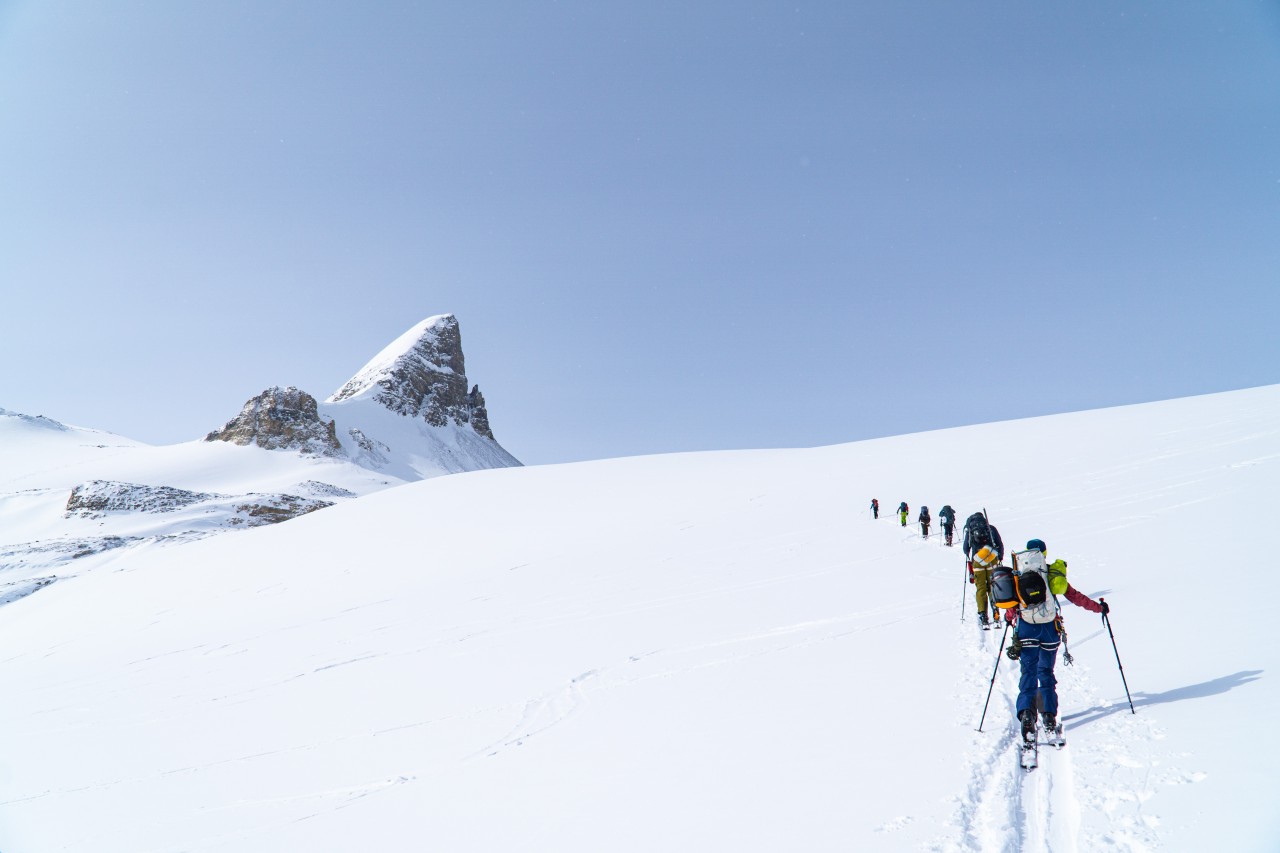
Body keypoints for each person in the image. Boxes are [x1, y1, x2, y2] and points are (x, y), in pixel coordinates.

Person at [1003, 539, 1108, 741]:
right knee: (1045, 672)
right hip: (1050, 631)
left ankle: (1027, 714)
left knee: (1028, 672)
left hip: (1026, 630)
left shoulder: (1020, 575)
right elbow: (1075, 597)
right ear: (1044, 553)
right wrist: (1099, 608)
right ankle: (1049, 715)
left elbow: (1011, 609)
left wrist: (1010, 619)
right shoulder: (1052, 573)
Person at [962, 512, 1004, 628]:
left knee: (981, 588)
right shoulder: (990, 528)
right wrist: (999, 557)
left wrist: (969, 555)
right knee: (993, 586)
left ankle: (983, 615)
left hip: (977, 561)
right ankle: (996, 611)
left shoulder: (970, 530)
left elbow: (966, 548)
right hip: (992, 559)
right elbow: (999, 544)